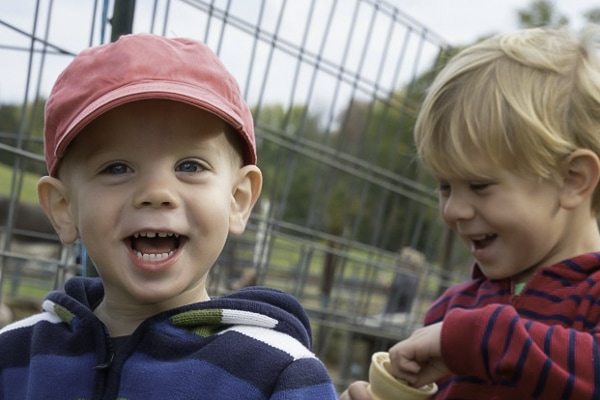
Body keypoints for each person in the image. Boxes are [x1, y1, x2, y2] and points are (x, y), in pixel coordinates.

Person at [0, 33, 337, 399]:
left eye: (190, 165)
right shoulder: (14, 357)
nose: (156, 193)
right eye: (116, 168)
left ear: (237, 200)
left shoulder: (278, 374)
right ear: (64, 208)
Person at [341, 25, 600, 399]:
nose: (454, 210)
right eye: (444, 186)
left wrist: (482, 338)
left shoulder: (471, 330)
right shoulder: (453, 311)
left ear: (572, 180)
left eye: (479, 186)